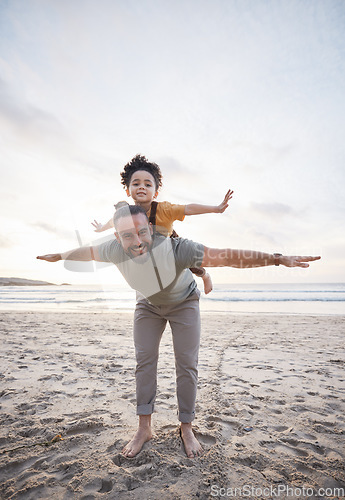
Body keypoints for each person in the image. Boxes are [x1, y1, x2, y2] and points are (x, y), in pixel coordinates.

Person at [37, 204, 320, 459]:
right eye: (127, 236)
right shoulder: (113, 249)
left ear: (151, 228)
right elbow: (86, 253)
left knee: (186, 364)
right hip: (147, 305)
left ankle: (186, 427)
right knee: (144, 362)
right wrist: (60, 255)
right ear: (116, 238)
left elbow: (227, 256)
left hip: (184, 303)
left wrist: (277, 258)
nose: (136, 242)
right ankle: (144, 428)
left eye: (141, 232)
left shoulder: (177, 247)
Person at [91, 154, 233, 294]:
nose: (141, 187)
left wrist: (216, 208)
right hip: (147, 246)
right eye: (136, 184)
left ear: (156, 193)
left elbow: (188, 208)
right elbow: (114, 221)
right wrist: (101, 228)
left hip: (169, 240)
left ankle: (205, 276)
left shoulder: (164, 209)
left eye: (147, 184)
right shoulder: (126, 214)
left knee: (191, 262)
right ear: (128, 191)